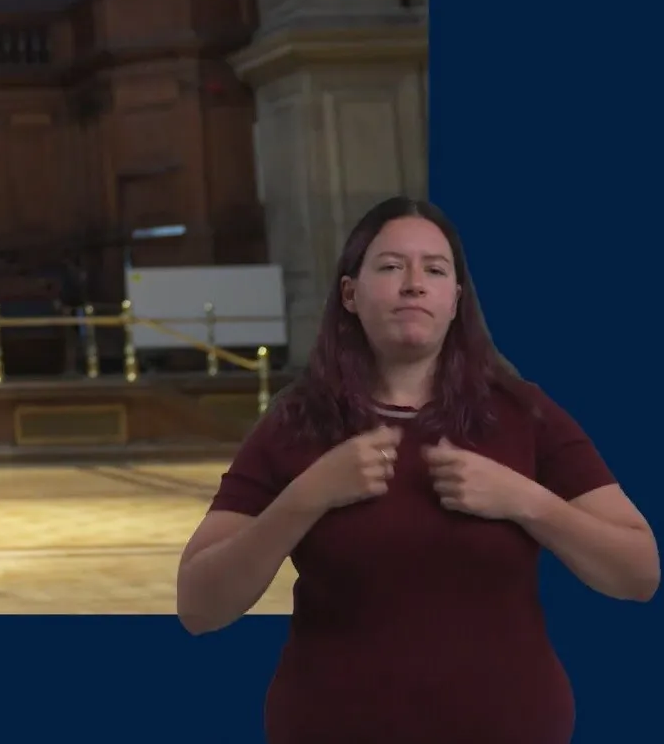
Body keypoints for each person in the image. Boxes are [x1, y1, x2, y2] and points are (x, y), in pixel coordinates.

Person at [175, 197, 658, 743]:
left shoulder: (524, 415)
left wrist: (526, 500)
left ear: (456, 299)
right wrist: (307, 496)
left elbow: (639, 574)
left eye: (434, 269)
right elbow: (199, 606)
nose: (413, 283)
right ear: (350, 295)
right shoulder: (297, 422)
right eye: (389, 266)